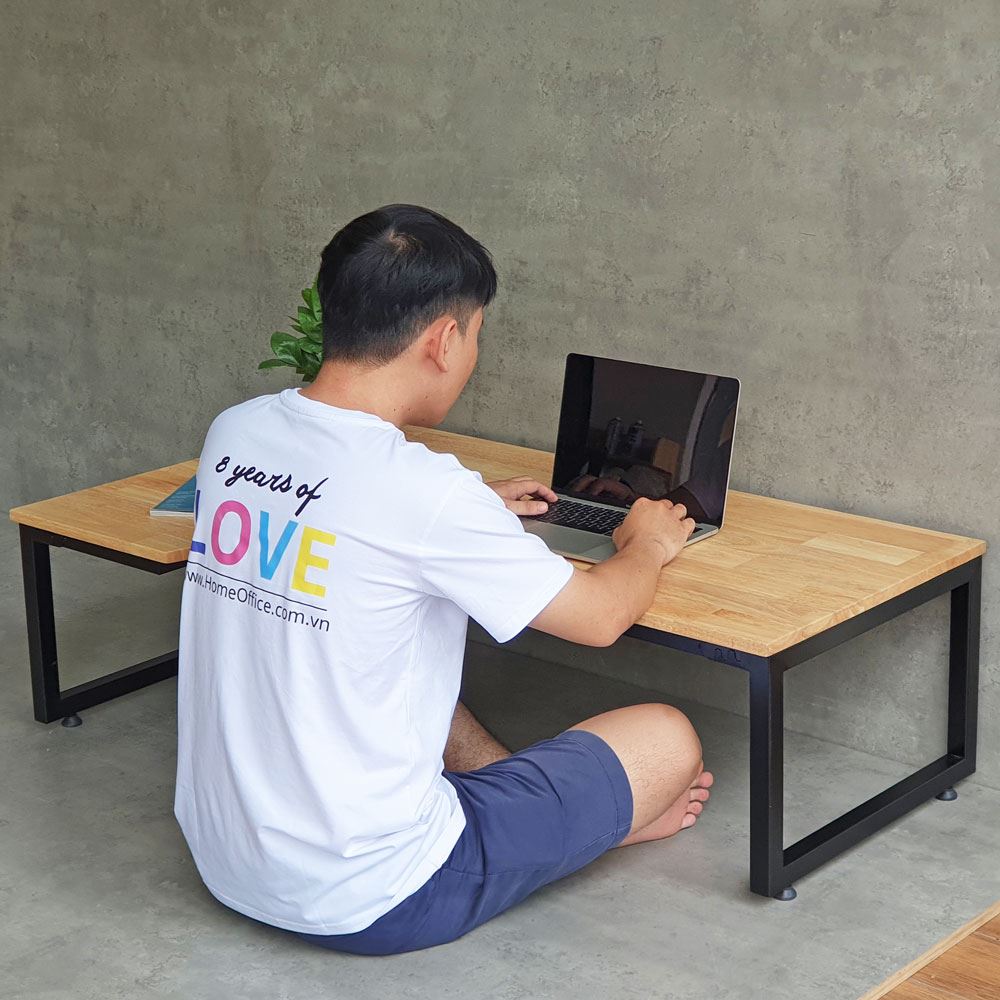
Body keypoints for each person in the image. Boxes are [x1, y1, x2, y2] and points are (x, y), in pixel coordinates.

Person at [174, 204, 713, 956]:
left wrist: (468, 512)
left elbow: (341, 514)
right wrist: (647, 543)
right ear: (444, 339)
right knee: (668, 737)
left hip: (228, 861)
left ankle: (542, 812)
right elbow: (599, 618)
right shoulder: (424, 494)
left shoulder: (237, 431)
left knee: (386, 660)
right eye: (477, 335)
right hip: (381, 895)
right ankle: (579, 831)